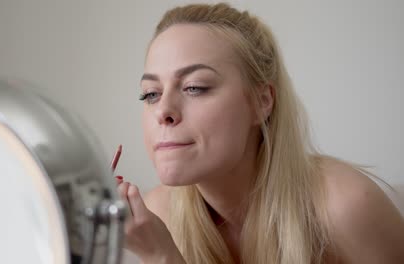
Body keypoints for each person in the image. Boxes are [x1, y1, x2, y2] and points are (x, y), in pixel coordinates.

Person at [115, 3, 404, 264]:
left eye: (194, 87)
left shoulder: (346, 207)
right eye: (150, 94)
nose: (163, 111)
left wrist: (163, 258)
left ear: (261, 101)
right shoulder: (157, 216)